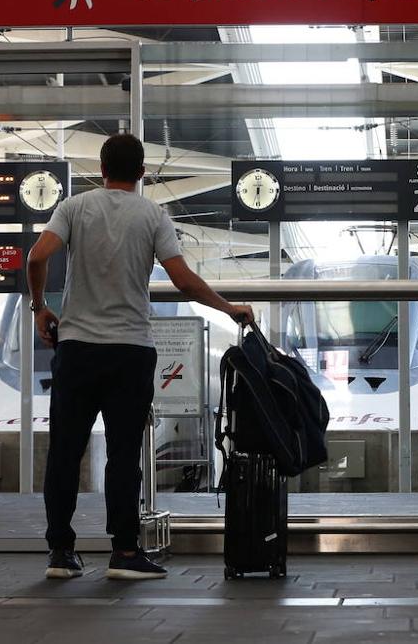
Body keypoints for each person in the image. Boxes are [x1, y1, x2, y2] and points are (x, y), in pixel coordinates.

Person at [27, 133, 252, 582]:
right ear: (143, 173)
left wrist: (40, 307)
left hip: (77, 349)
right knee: (124, 455)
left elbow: (38, 257)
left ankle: (60, 552)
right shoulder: (153, 214)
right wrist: (229, 308)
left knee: (65, 452)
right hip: (130, 351)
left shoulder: (74, 208)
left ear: (103, 169)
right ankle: (125, 552)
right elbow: (184, 280)